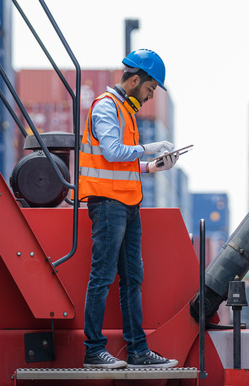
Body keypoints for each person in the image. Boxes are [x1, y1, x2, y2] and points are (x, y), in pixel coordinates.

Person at [78, 48, 180, 370]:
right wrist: (150, 147)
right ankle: (94, 351)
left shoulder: (126, 111)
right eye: (149, 89)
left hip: (126, 204)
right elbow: (112, 151)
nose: (150, 96)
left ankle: (137, 350)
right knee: (103, 276)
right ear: (135, 80)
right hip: (108, 205)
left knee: (132, 277)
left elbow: (124, 163)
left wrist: (152, 167)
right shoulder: (106, 107)